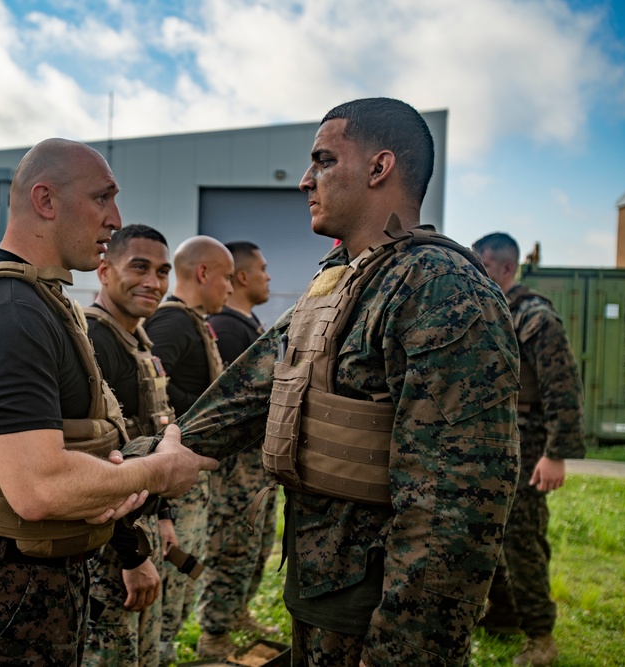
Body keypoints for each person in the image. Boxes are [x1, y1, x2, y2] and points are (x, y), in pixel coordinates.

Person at [126, 97, 521, 666]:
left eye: (324, 160)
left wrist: (403, 650)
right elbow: (249, 391)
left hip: (378, 613)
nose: (306, 180)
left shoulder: (443, 289)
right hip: (320, 592)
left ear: (379, 168)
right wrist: (144, 463)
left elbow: (456, 506)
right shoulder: (338, 280)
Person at [0, 138, 217, 667]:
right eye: (102, 198)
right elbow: (39, 488)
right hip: (3, 598)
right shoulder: (10, 313)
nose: (114, 219)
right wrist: (157, 472)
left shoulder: (40, 301)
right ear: (46, 201)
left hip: (34, 588)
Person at [472, 232, 585, 667]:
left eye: (482, 267)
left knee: (522, 540)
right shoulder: (489, 313)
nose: (474, 276)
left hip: (529, 445)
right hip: (493, 443)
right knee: (491, 535)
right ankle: (503, 615)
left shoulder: (536, 318)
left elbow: (564, 389)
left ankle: (541, 638)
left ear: (505, 268)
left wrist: (556, 453)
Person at [82, 224, 178, 667]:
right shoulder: (94, 342)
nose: (154, 282)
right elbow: (93, 464)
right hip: (108, 546)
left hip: (139, 530)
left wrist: (161, 518)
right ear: (104, 271)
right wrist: (131, 554)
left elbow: (148, 438)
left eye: (162, 271)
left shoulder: (137, 339)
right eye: (138, 267)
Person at [143, 234, 234, 664]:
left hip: (189, 483)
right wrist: (201, 413)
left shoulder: (194, 321)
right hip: (171, 488)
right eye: (227, 278)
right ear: (203, 273)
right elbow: (153, 392)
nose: (230, 288)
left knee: (181, 587)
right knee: (168, 590)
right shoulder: (173, 322)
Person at [196, 240, 279, 658]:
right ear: (244, 277)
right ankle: (214, 633)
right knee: (231, 547)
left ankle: (237, 613)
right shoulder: (228, 329)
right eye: (263, 269)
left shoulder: (247, 324)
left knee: (255, 547)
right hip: (236, 470)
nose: (269, 277)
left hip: (259, 465)